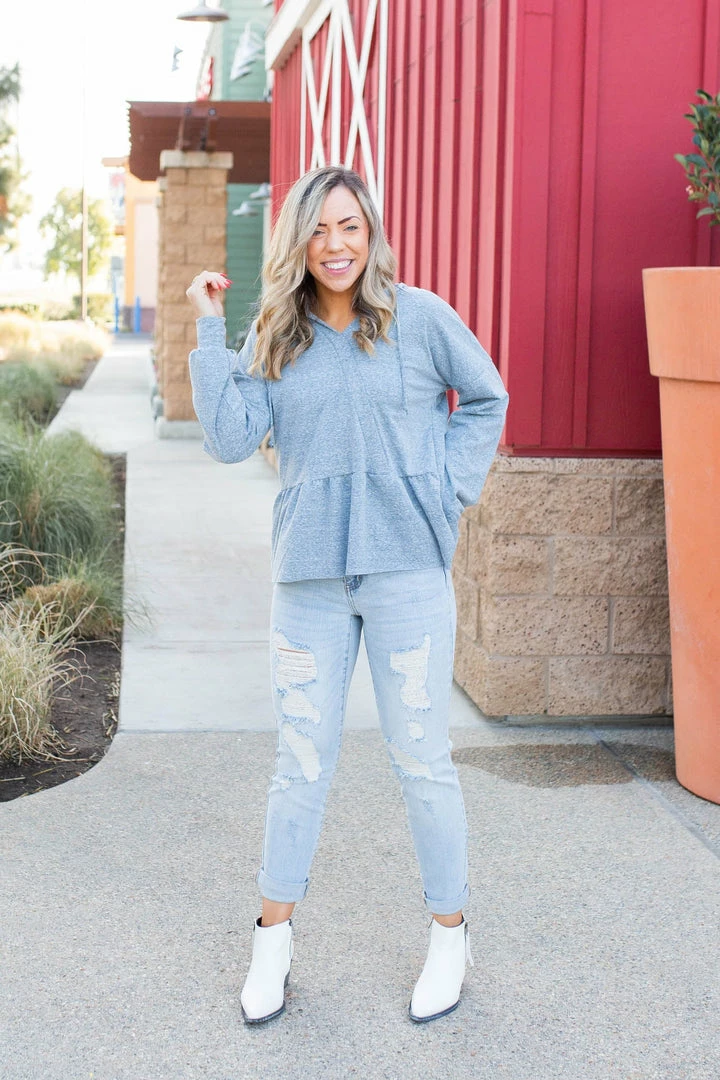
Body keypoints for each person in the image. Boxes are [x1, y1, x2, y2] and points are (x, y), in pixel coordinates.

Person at [185, 165, 509, 1026]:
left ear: (371, 234)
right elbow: (228, 439)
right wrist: (209, 328)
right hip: (310, 583)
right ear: (298, 241)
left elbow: (486, 398)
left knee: (422, 760)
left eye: (349, 227)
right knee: (299, 764)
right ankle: (272, 946)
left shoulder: (420, 318)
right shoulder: (274, 334)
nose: (335, 245)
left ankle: (450, 936)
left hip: (407, 575)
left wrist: (446, 491)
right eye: (319, 230)